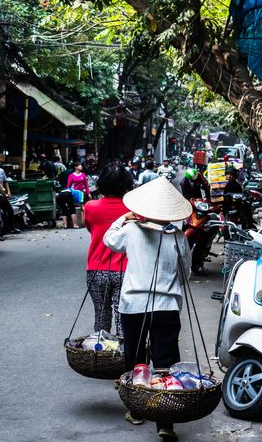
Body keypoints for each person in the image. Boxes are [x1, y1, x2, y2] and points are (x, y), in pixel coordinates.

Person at [104, 177, 191, 441]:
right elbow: (185, 272)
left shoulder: (131, 230)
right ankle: (165, 422)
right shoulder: (178, 236)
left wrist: (124, 219)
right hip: (166, 307)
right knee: (165, 364)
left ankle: (138, 411)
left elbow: (109, 240)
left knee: (136, 359)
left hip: (134, 306)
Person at [84, 163, 134, 334]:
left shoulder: (90, 207)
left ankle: (101, 355)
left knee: (101, 317)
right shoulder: (133, 209)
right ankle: (124, 356)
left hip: (96, 270)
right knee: (123, 317)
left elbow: (91, 229)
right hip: (126, 270)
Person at [0, 159, 20, 234]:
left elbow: (5, 182)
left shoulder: (1, 171)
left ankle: (11, 227)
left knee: (10, 211)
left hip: (2, 195)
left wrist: (8, 192)